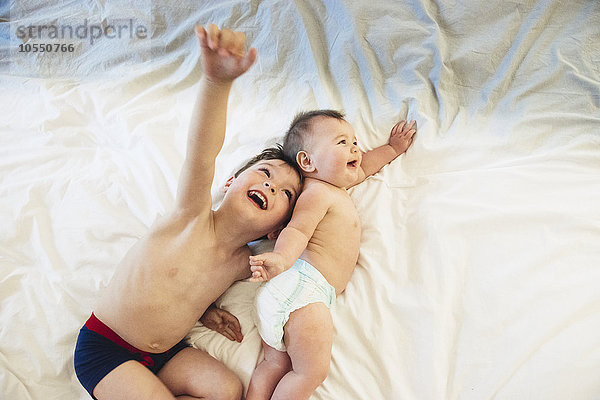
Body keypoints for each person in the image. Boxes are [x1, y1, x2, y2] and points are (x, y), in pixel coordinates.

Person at [73, 24, 303, 400]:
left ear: (277, 228)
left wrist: (205, 312)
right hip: (107, 348)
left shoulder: (247, 262)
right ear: (229, 183)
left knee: (227, 389)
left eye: (285, 195)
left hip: (164, 354)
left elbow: (190, 284)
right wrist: (218, 82)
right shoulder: (192, 215)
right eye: (264, 174)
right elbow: (202, 152)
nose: (271, 187)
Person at [246, 110, 417, 400]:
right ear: (307, 161)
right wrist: (281, 259)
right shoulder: (316, 194)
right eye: (342, 142)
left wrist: (392, 148)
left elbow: (366, 168)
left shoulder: (334, 185)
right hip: (304, 290)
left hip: (290, 293)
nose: (354, 149)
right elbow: (297, 232)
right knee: (310, 373)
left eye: (354, 142)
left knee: (274, 363)